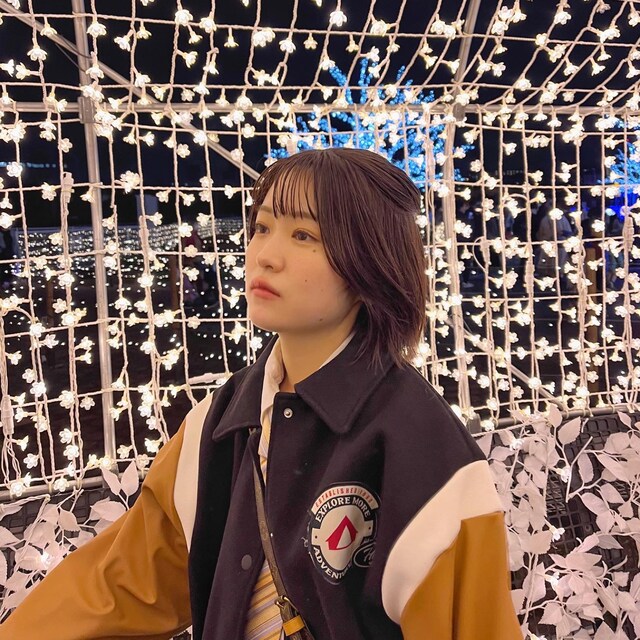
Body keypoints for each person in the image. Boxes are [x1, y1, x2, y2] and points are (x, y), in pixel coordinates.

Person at [0, 149, 522, 639]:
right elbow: (121, 585)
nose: (265, 256)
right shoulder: (218, 424)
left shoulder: (425, 453)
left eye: (304, 235)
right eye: (263, 227)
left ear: (371, 261)